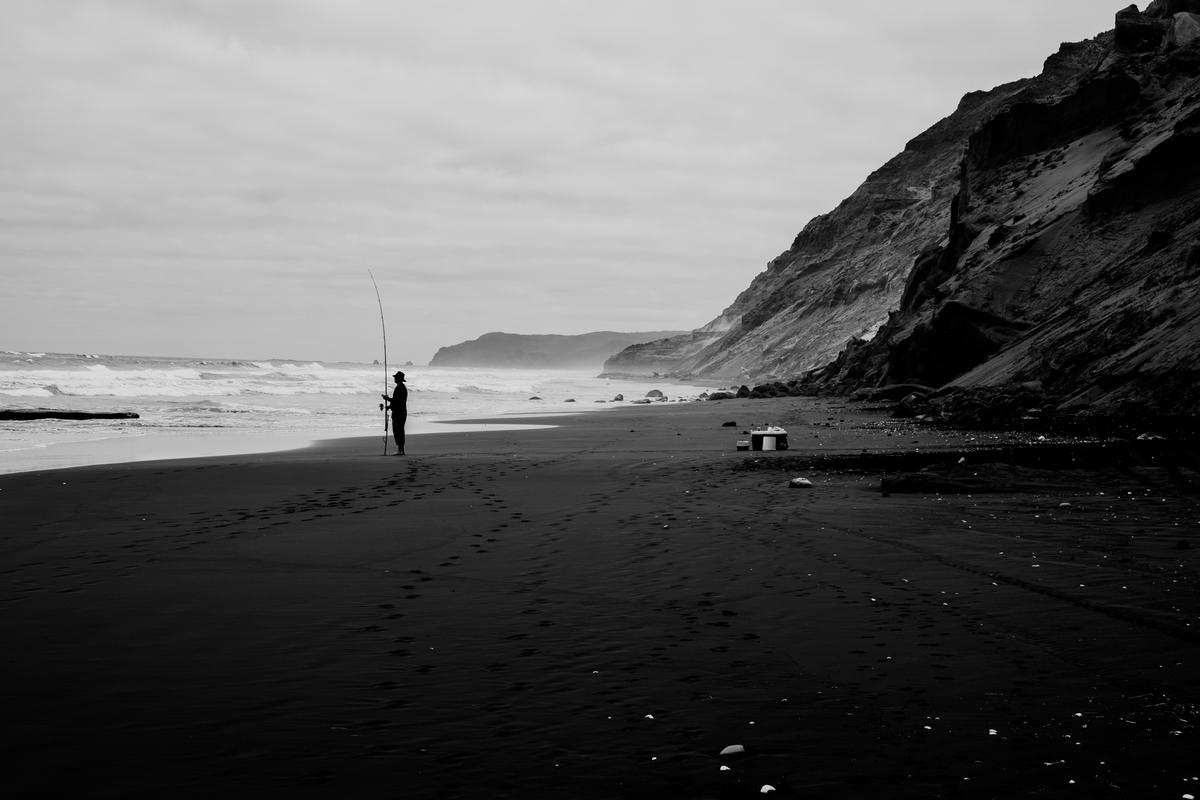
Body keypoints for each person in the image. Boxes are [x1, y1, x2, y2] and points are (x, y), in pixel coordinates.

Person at [381, 371, 408, 455]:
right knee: (399, 430)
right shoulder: (400, 387)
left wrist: (387, 398)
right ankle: (400, 449)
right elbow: (397, 401)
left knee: (398, 430)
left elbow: (397, 401)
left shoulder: (400, 388)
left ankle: (400, 449)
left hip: (399, 413)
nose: (394, 378)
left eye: (395, 377)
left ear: (398, 378)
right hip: (400, 411)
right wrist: (390, 406)